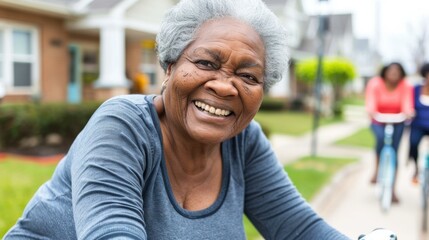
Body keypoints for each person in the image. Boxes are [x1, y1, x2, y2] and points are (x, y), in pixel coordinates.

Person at [4, 0, 351, 239]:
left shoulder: (244, 142)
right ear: (170, 67)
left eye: (248, 76)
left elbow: (299, 229)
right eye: (205, 63)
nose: (224, 85)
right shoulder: (122, 125)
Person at [365, 62, 414, 203]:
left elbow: (406, 103)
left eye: (397, 71)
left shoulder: (405, 85)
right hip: (378, 119)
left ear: (401, 74)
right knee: (380, 140)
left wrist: (408, 112)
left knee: (394, 151)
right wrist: (371, 111)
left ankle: (392, 190)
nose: (394, 74)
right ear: (385, 72)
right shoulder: (375, 83)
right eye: (391, 71)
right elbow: (371, 102)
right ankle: (376, 170)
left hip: (398, 120)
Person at [408, 63, 429, 183]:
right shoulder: (416, 89)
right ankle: (416, 169)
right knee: (414, 143)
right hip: (418, 125)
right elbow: (408, 104)